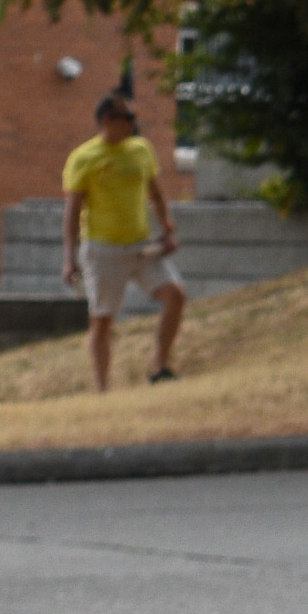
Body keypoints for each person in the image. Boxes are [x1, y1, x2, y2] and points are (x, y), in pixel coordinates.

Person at [60, 86, 186, 389]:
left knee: (175, 296)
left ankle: (160, 365)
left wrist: (167, 231)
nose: (132, 123)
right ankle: (103, 388)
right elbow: (73, 211)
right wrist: (69, 258)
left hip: (142, 246)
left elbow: (155, 194)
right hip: (103, 248)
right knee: (102, 320)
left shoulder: (141, 149)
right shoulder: (84, 157)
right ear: (107, 119)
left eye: (133, 117)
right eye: (126, 117)